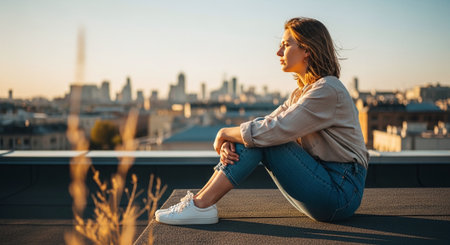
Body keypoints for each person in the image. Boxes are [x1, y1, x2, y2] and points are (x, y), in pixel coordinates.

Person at [155, 17, 369, 225]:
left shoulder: (328, 89)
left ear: (307, 50)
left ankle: (200, 206)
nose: (278, 52)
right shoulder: (301, 93)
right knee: (257, 133)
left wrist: (223, 134)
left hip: (341, 193)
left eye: (285, 45)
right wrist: (232, 136)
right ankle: (198, 204)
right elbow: (266, 123)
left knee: (262, 137)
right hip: (325, 187)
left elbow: (271, 130)